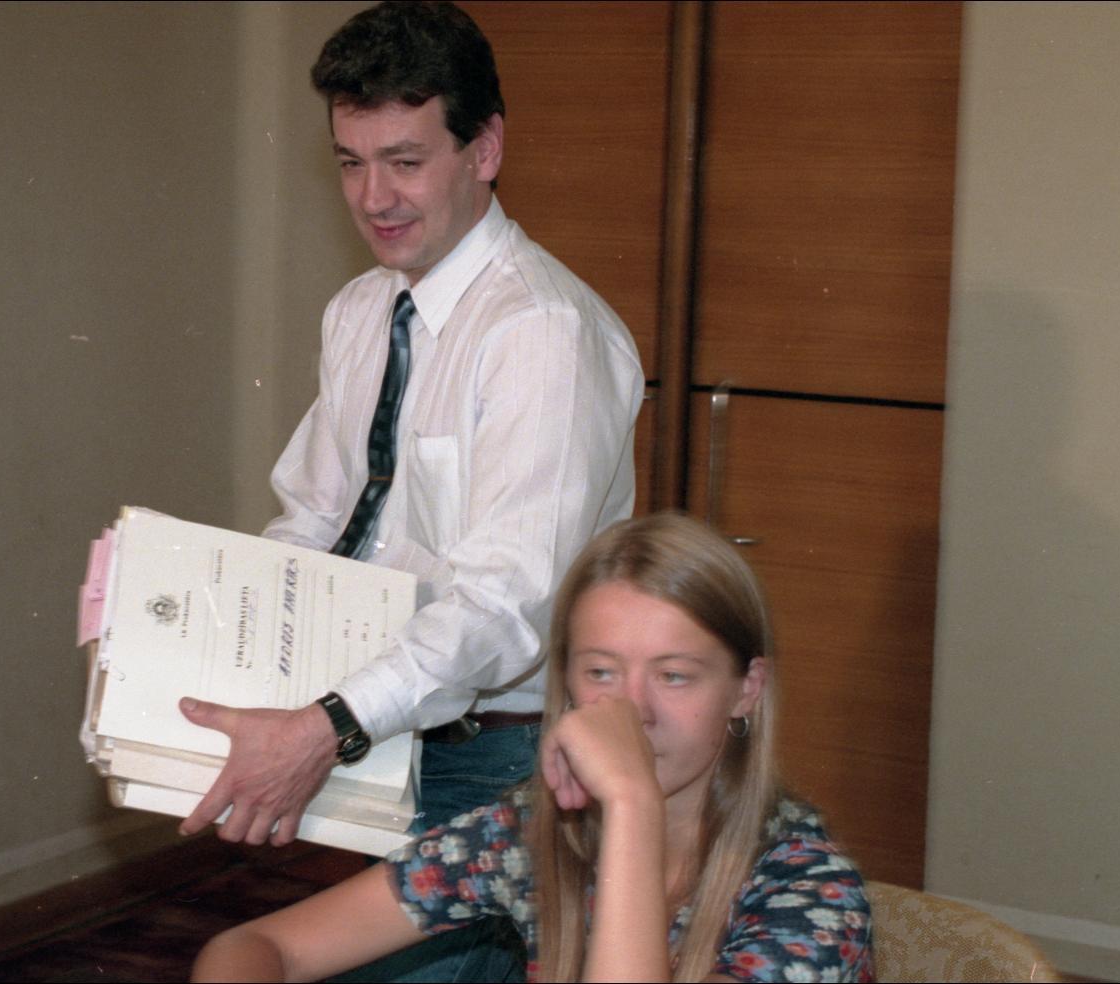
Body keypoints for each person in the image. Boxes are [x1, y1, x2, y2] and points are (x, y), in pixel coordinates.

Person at [177, 0, 642, 858]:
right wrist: (200, 636)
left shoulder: (542, 333)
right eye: (350, 163)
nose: (373, 198)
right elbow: (316, 520)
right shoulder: (359, 310)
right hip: (375, 727)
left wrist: (328, 726)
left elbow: (505, 604)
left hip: (494, 758)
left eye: (404, 161)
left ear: (484, 150)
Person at [192, 513, 876, 983]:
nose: (632, 713)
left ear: (746, 690)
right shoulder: (532, 830)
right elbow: (259, 946)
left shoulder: (810, 892)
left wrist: (630, 803)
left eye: (673, 676)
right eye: (601, 672)